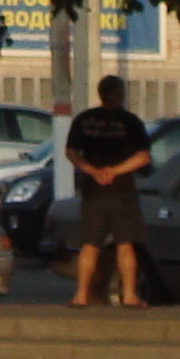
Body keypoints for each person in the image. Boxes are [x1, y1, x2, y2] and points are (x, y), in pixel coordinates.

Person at [66, 74, 154, 308]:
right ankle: (129, 295)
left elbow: (71, 153)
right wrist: (114, 171)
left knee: (89, 244)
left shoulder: (84, 120)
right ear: (120, 94)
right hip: (122, 193)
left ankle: (81, 295)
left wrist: (93, 171)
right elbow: (143, 157)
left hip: (93, 193)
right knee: (125, 244)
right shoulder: (130, 122)